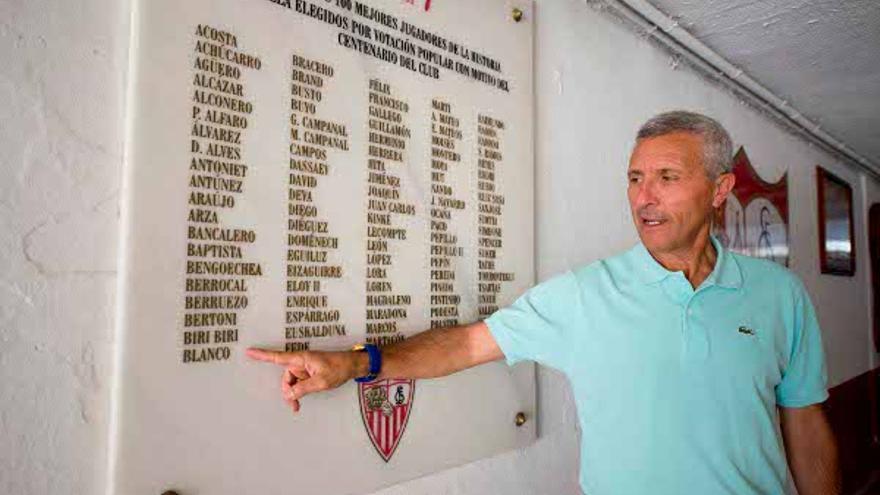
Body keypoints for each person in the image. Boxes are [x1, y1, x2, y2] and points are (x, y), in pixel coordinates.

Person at [248, 111, 840, 495]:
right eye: (635, 178)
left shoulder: (778, 296)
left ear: (720, 190)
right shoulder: (585, 295)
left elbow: (806, 422)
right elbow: (468, 343)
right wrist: (352, 364)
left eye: (666, 176)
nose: (645, 197)